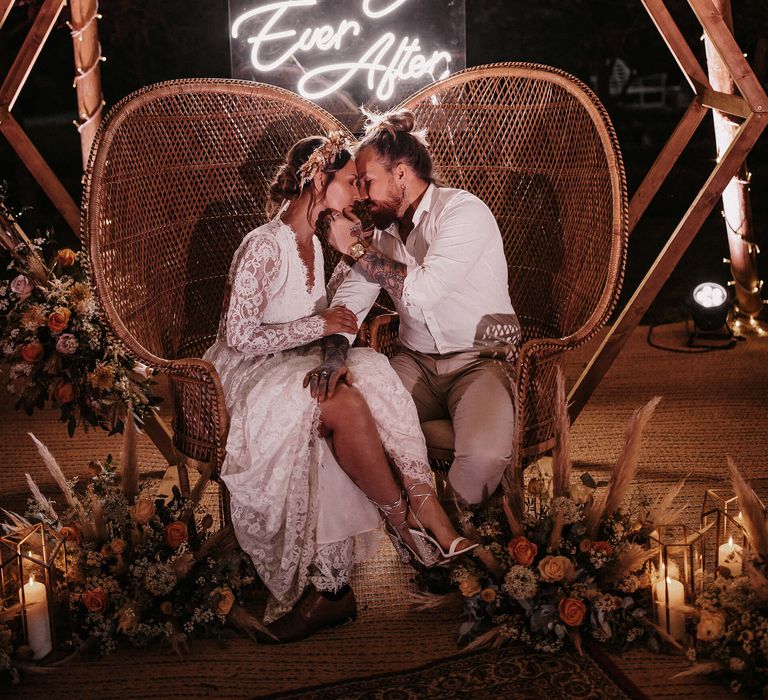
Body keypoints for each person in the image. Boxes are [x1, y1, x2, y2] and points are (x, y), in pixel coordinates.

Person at [203, 132, 475, 644]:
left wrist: (335, 306)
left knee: (369, 379)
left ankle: (341, 584)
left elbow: (333, 317)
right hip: (249, 375)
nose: (357, 194)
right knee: (345, 402)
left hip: (291, 362)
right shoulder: (265, 244)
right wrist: (319, 325)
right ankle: (408, 532)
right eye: (350, 182)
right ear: (317, 179)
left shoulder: (314, 244)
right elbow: (238, 336)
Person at [325, 110, 521, 507]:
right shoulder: (383, 234)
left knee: (484, 455)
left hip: (480, 361)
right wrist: (333, 354)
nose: (360, 194)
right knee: (347, 426)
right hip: (413, 363)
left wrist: (357, 249)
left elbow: (424, 292)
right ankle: (416, 528)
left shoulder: (463, 213)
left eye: (367, 181)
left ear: (400, 174)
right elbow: (352, 300)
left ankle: (452, 526)